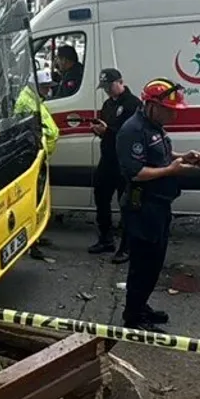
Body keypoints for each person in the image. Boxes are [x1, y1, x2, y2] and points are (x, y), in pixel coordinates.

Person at [116, 78, 200, 331]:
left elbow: (160, 155)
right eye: (169, 110)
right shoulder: (132, 130)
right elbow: (135, 172)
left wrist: (183, 157)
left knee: (155, 262)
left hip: (159, 205)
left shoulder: (154, 126)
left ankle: (140, 304)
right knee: (143, 264)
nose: (174, 116)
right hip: (142, 207)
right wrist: (170, 170)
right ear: (152, 105)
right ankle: (133, 316)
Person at [89, 68, 140, 263]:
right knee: (101, 196)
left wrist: (107, 130)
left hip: (124, 161)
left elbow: (130, 133)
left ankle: (126, 247)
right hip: (108, 159)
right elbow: (108, 128)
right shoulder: (108, 104)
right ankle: (105, 238)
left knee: (125, 203)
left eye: (110, 86)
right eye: (104, 88)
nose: (107, 91)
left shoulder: (133, 104)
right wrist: (99, 130)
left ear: (120, 82)